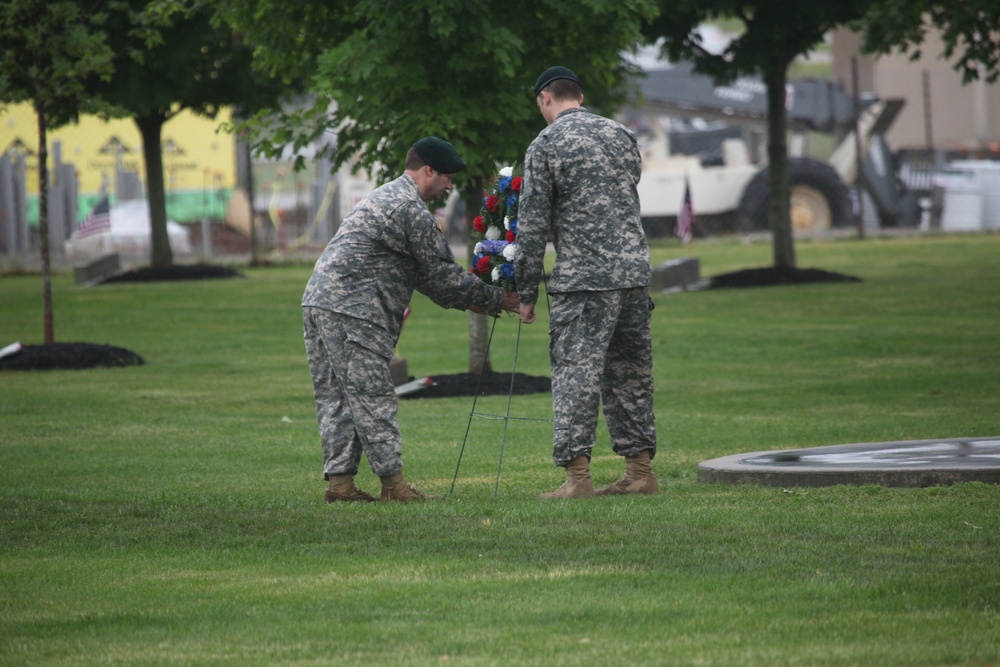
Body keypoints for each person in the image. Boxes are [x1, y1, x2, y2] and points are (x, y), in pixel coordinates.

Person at [302, 136, 519, 503]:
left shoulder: (385, 195)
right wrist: (499, 298)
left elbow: (427, 279)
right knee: (373, 396)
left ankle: (341, 485)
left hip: (320, 304)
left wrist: (481, 301)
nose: (450, 185)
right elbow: (442, 277)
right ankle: (395, 486)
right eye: (447, 176)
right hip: (355, 310)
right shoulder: (410, 210)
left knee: (337, 396)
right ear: (427, 170)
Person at [514, 66, 658, 499]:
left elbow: (533, 225)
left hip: (584, 281)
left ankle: (577, 480)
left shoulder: (546, 144)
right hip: (633, 275)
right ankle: (640, 472)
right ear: (579, 94)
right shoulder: (620, 135)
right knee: (631, 373)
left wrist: (525, 294)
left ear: (545, 99)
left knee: (576, 375)